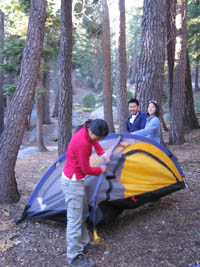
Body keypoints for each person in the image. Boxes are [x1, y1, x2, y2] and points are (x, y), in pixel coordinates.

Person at [61, 119, 109, 267]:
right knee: (74, 220)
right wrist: (100, 170)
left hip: (76, 180)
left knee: (82, 214)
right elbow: (85, 169)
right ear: (91, 131)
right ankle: (74, 257)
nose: (99, 140)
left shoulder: (87, 129)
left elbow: (94, 141)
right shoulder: (83, 143)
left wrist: (102, 153)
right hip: (73, 181)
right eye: (98, 137)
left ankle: (82, 244)